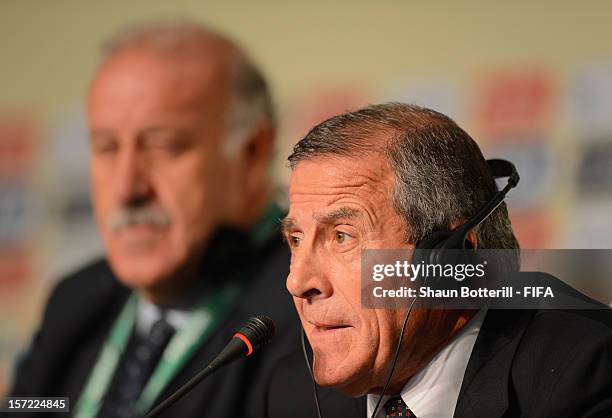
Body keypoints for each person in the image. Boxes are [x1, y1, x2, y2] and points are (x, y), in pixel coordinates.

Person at [9, 21, 300, 418]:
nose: (127, 187)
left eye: (163, 145)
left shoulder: (314, 308)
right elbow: (30, 408)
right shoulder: (75, 300)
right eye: (107, 147)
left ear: (251, 153)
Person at [268, 103, 612, 417]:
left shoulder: (585, 373)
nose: (297, 282)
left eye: (342, 236)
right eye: (295, 240)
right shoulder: (290, 394)